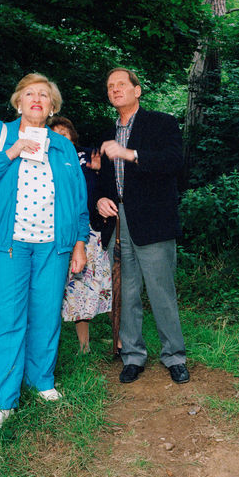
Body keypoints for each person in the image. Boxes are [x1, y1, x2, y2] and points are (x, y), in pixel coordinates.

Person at [0, 73, 89, 432]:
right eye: (29, 94)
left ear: (52, 107)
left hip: (54, 247)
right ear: (18, 102)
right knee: (7, 319)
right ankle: (1, 403)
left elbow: (78, 199)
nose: (37, 99)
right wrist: (10, 152)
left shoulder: (61, 147)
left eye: (44, 95)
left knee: (46, 315)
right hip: (9, 245)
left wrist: (80, 242)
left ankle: (41, 381)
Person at [95, 67, 189, 384]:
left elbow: (174, 162)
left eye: (122, 84)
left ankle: (174, 356)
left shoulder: (161, 123)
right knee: (126, 293)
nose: (115, 89)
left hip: (153, 222)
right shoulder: (104, 132)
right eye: (110, 86)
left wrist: (130, 153)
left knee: (161, 292)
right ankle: (132, 356)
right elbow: (98, 179)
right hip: (117, 223)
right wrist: (99, 200)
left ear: (137, 90)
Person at [49, 116, 112, 355]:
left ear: (73, 137)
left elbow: (113, 182)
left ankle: (118, 336)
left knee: (102, 284)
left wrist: (98, 172)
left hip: (93, 230)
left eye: (64, 134)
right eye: (55, 135)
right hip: (60, 233)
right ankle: (83, 346)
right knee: (75, 289)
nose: (60, 139)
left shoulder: (89, 156)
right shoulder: (46, 161)